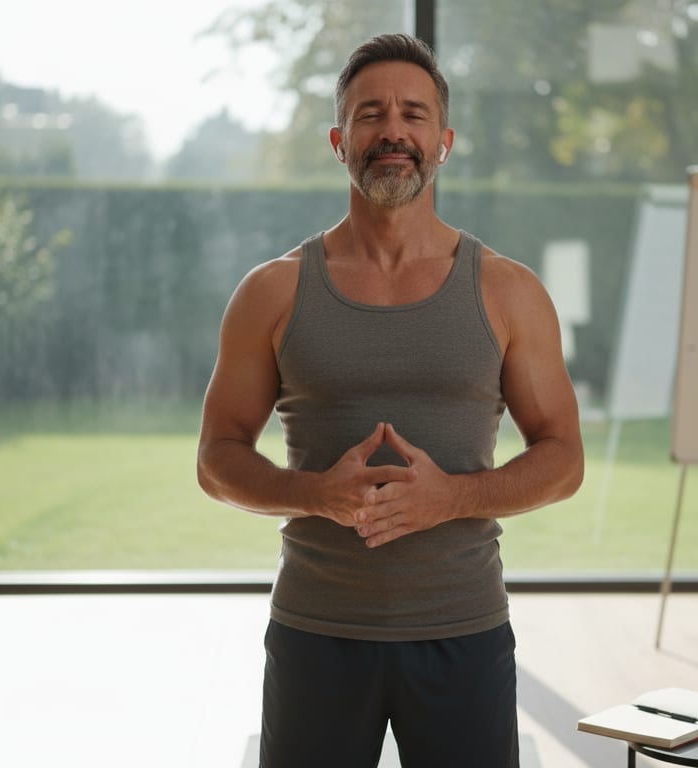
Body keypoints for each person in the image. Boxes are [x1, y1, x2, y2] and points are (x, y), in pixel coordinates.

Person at [196, 33, 584, 768]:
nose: (393, 131)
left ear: (444, 141)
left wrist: (450, 499)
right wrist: (314, 493)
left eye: (413, 113)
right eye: (371, 114)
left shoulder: (508, 290)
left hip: (462, 630)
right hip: (316, 630)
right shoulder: (272, 291)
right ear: (340, 141)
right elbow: (216, 460)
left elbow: (563, 459)